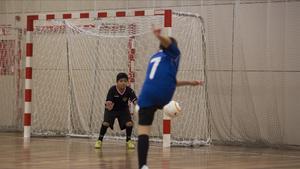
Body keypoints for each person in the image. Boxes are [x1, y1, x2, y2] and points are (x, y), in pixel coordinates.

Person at [137, 27, 204, 169]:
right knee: (164, 106)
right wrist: (159, 35)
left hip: (146, 95)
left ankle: (142, 165)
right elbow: (168, 43)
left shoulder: (154, 57)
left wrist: (190, 83)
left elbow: (168, 80)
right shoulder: (174, 54)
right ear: (171, 46)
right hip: (162, 95)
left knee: (143, 132)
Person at [95, 72, 137, 149]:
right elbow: (109, 102)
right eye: (121, 81)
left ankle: (128, 141)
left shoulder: (129, 90)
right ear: (117, 82)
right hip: (112, 110)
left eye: (125, 81)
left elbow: (135, 100)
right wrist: (109, 104)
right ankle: (99, 140)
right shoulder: (112, 89)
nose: (123, 83)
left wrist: (138, 106)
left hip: (123, 110)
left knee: (129, 124)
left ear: (127, 82)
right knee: (106, 123)